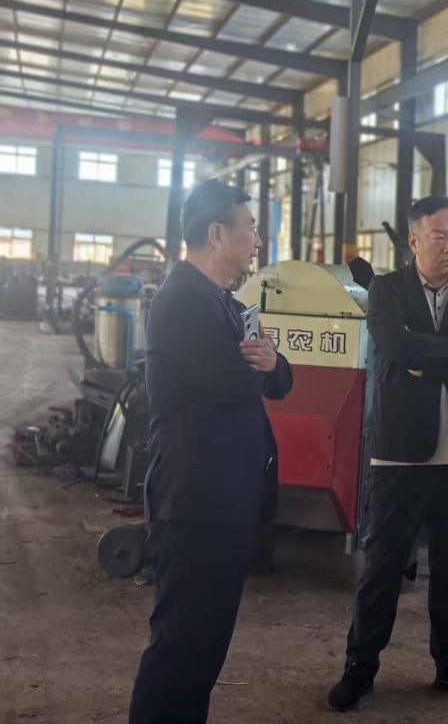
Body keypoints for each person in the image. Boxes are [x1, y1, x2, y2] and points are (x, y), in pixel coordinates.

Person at [327, 195, 448, 712]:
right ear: (414, 241)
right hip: (402, 454)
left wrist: (431, 359)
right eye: (440, 236)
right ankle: (360, 668)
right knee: (382, 568)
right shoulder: (388, 289)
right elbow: (397, 347)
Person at [129, 180, 293, 723]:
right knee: (180, 646)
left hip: (224, 500)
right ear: (217, 233)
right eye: (251, 229)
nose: (257, 242)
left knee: (203, 649)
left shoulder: (228, 302)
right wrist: (260, 366)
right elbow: (228, 383)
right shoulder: (181, 302)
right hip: (194, 501)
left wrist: (269, 363)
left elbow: (278, 377)